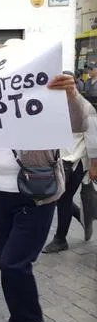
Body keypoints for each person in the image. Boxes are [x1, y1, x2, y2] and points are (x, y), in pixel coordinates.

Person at [0, 41, 88, 322]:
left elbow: (80, 122)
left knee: (14, 262)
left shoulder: (44, 92)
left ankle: (34, 321)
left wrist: (71, 94)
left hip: (38, 194)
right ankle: (19, 317)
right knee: (6, 262)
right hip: (0, 192)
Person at [43, 98, 97, 253]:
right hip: (60, 159)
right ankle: (83, 217)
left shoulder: (85, 108)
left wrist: (94, 165)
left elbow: (93, 139)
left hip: (76, 161)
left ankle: (60, 239)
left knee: (63, 198)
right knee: (62, 198)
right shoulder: (56, 106)